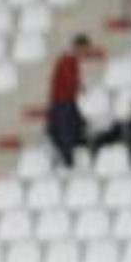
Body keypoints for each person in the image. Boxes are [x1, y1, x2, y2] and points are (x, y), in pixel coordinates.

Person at [46, 33, 92, 168]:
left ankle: (70, 157)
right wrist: (78, 86)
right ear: (79, 47)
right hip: (62, 102)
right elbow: (68, 80)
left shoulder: (70, 60)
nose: (84, 53)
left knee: (71, 128)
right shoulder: (67, 60)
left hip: (65, 101)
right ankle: (68, 160)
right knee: (62, 130)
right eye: (84, 49)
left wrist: (78, 86)